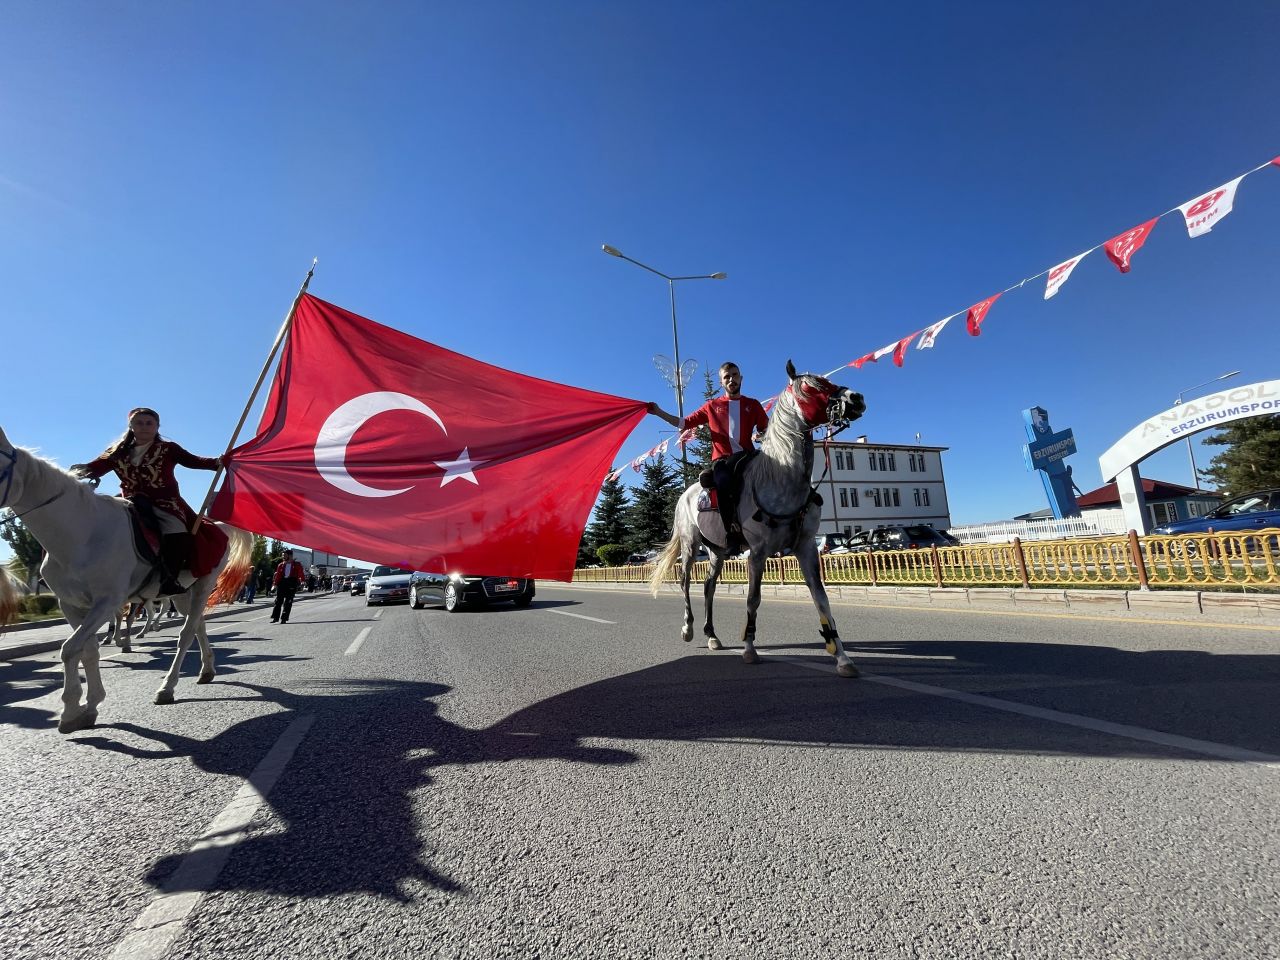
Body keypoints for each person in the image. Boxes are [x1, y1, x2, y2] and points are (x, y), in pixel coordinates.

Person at [71, 407, 222, 595]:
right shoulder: (116, 452)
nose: (144, 427)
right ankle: (67, 571)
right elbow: (96, 468)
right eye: (139, 423)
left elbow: (194, 461)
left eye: (149, 423)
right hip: (130, 502)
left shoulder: (168, 449)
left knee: (178, 530)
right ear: (131, 426)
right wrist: (75, 472)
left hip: (165, 504)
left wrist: (217, 462)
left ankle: (169, 579)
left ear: (157, 427)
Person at [648, 361, 769, 545]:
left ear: (741, 378)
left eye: (734, 375)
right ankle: (732, 531)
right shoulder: (712, 406)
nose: (731, 379)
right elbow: (683, 423)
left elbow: (766, 430)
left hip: (749, 457)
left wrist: (762, 436)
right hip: (723, 460)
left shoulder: (752, 405)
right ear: (721, 383)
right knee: (723, 482)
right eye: (726, 377)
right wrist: (659, 412)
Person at [271, 549, 304, 623]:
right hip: (282, 583)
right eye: (283, 555)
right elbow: (278, 576)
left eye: (285, 555)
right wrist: (275, 585)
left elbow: (301, 573)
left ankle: (284, 618)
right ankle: (275, 618)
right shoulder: (280, 565)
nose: (283, 557)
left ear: (290, 556)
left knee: (288, 602)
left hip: (291, 583)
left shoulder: (297, 564)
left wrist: (302, 581)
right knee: (278, 601)